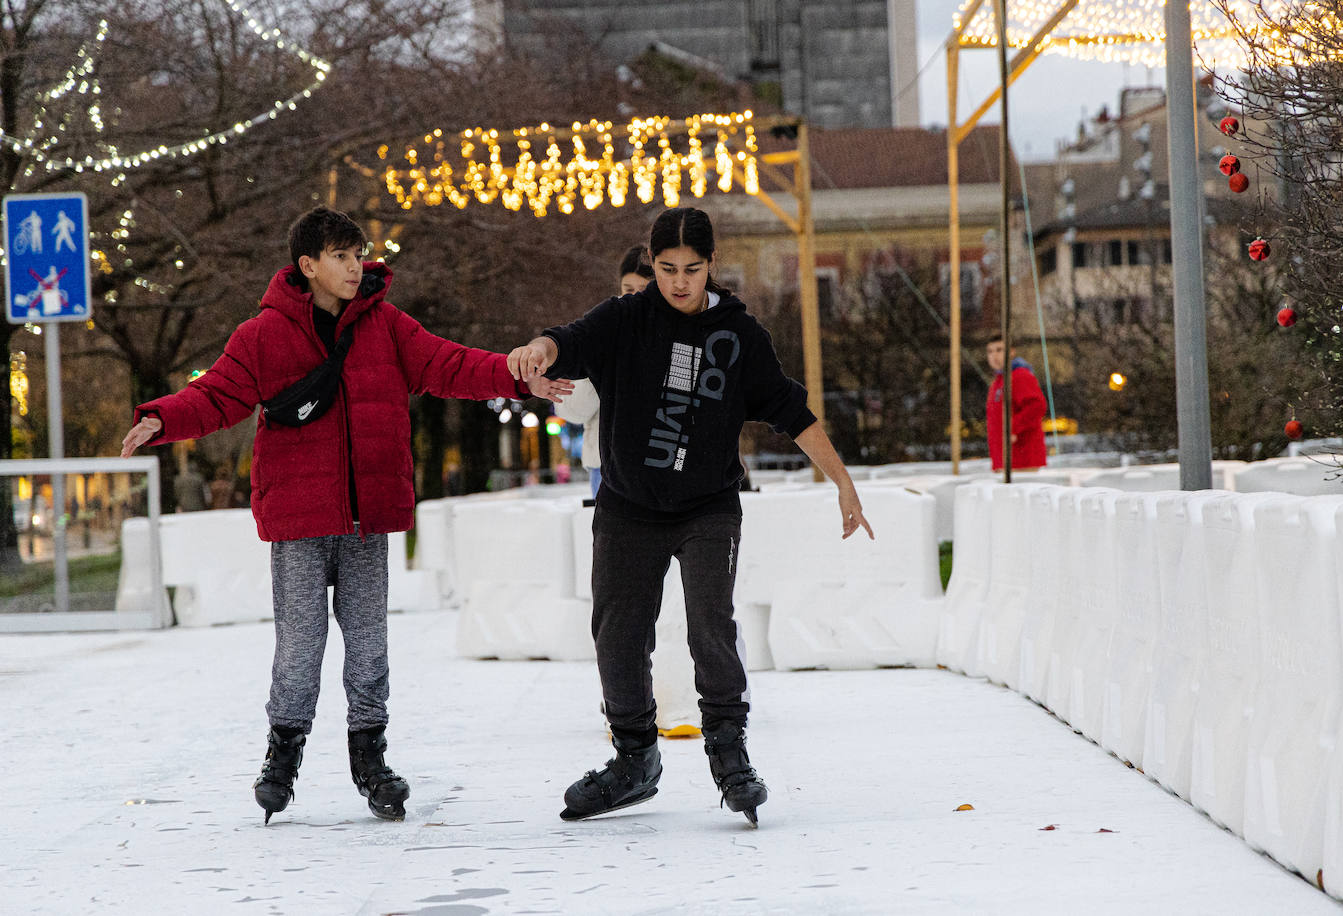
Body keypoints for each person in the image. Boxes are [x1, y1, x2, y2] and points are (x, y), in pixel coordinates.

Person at [120, 206, 570, 824]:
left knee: (367, 645)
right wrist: (163, 417)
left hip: (366, 520)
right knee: (300, 646)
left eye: (359, 254)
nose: (356, 266)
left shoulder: (386, 328)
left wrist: (517, 379)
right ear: (308, 266)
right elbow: (217, 395)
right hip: (300, 523)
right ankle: (283, 755)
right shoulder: (261, 337)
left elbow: (450, 364)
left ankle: (371, 760)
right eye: (341, 256)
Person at [508, 207, 873, 826]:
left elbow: (793, 411)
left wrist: (843, 483)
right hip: (627, 507)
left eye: (693, 270)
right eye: (668, 269)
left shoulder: (738, 336)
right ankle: (633, 759)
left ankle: (729, 752)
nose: (679, 282)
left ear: (712, 266)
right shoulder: (625, 320)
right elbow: (567, 340)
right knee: (617, 632)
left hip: (707, 507)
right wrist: (540, 348)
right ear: (652, 265)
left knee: (710, 623)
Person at [555, 245, 654, 497]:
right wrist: (597, 371)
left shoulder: (672, 336)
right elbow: (570, 409)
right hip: (606, 466)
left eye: (643, 290)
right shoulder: (602, 330)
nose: (634, 298)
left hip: (657, 465)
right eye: (628, 290)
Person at [985, 335, 1048, 471]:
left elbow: (1036, 406)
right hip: (1004, 459)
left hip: (1021, 457)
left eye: (999, 350)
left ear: (1011, 352)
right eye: (990, 351)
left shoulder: (1019, 376)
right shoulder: (998, 381)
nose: (994, 355)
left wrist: (1013, 429)